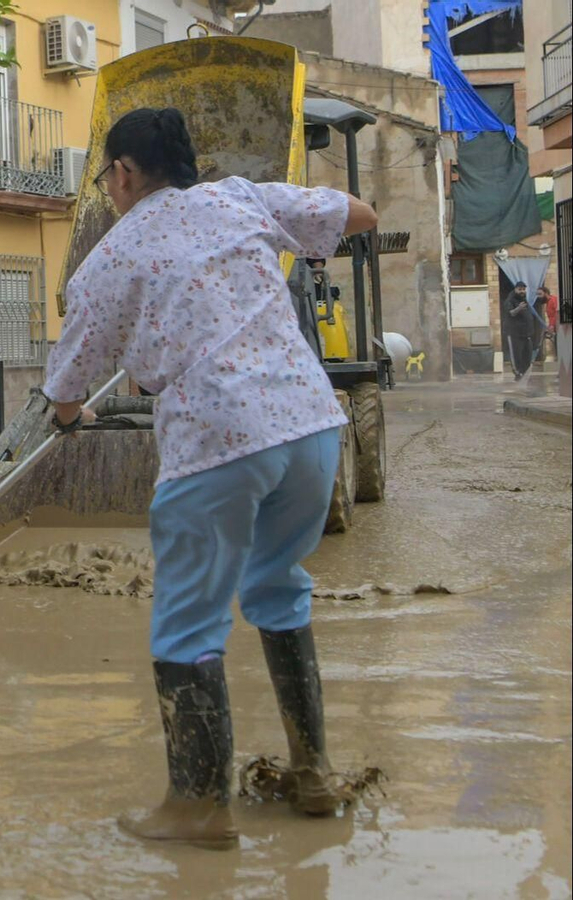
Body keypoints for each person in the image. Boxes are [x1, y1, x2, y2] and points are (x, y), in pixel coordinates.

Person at [43, 108, 378, 849]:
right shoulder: (241, 197)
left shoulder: (112, 254)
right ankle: (314, 774)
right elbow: (360, 213)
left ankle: (198, 806)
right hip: (312, 428)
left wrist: (70, 415)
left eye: (108, 178)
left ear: (123, 174)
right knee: (277, 587)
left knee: (190, 619)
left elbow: (68, 389)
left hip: (220, 439)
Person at [504, 281, 542, 380]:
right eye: (520, 289)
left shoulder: (525, 300)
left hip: (527, 333)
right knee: (517, 355)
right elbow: (511, 313)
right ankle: (517, 373)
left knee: (528, 355)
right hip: (514, 333)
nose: (522, 291)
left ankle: (523, 373)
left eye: (524, 289)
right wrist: (519, 308)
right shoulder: (510, 300)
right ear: (515, 289)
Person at [537, 285, 558, 361]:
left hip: (557, 328)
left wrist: (552, 326)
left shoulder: (553, 300)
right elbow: (551, 317)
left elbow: (556, 314)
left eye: (540, 294)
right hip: (555, 328)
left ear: (546, 293)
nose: (538, 297)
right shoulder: (548, 303)